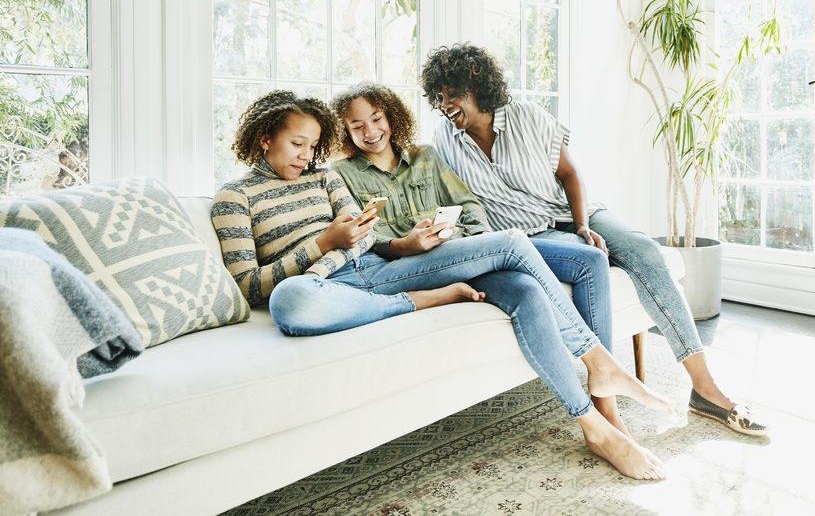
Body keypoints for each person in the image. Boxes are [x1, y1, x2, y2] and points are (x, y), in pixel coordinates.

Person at [212, 90, 673, 479]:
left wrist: (346, 243)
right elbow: (249, 287)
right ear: (265, 137)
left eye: (313, 146)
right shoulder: (234, 198)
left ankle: (595, 417)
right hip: (319, 291)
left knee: (520, 270)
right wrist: (322, 246)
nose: (306, 156)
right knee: (290, 302)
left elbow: (365, 237)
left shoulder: (324, 179)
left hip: (374, 272)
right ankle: (425, 299)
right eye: (297, 144)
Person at [421, 44, 768, 437]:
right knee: (590, 262)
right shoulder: (445, 138)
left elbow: (570, 175)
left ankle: (705, 390)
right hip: (528, 235)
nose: (445, 105)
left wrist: (583, 225)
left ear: (478, 86)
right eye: (439, 97)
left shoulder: (529, 117)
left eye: (453, 94)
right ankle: (605, 399)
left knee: (645, 252)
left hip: (572, 213)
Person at [330, 82, 629, 434]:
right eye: (357, 126)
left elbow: (468, 204)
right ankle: (600, 393)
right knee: (518, 255)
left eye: (376, 118)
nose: (370, 131)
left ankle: (600, 406)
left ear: (392, 116)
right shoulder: (341, 173)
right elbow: (362, 235)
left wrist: (468, 237)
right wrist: (402, 245)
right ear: (345, 131)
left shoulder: (425, 156)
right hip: (413, 265)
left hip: (465, 252)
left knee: (562, 274)